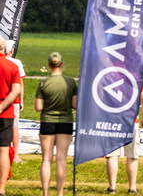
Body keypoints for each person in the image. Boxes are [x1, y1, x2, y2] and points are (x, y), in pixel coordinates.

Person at [35, 52, 78, 196]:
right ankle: (60, 193)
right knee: (61, 158)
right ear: (62, 64)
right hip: (65, 122)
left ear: (49, 65)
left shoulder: (44, 83)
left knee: (46, 159)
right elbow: (75, 105)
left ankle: (45, 193)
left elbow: (38, 107)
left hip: (47, 121)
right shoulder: (70, 82)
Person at [105, 86, 143, 194]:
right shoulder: (136, 80)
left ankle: (112, 187)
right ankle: (132, 188)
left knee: (112, 155)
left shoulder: (108, 79)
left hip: (113, 121)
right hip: (131, 121)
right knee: (132, 156)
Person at [0, 36, 21, 196]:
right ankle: (1, 188)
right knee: (3, 150)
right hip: (6, 112)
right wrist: (2, 106)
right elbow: (15, 91)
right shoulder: (12, 66)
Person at [5, 40, 26, 163]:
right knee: (14, 128)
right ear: (12, 50)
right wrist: (21, 100)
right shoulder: (16, 63)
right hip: (14, 101)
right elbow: (20, 84)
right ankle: (15, 155)